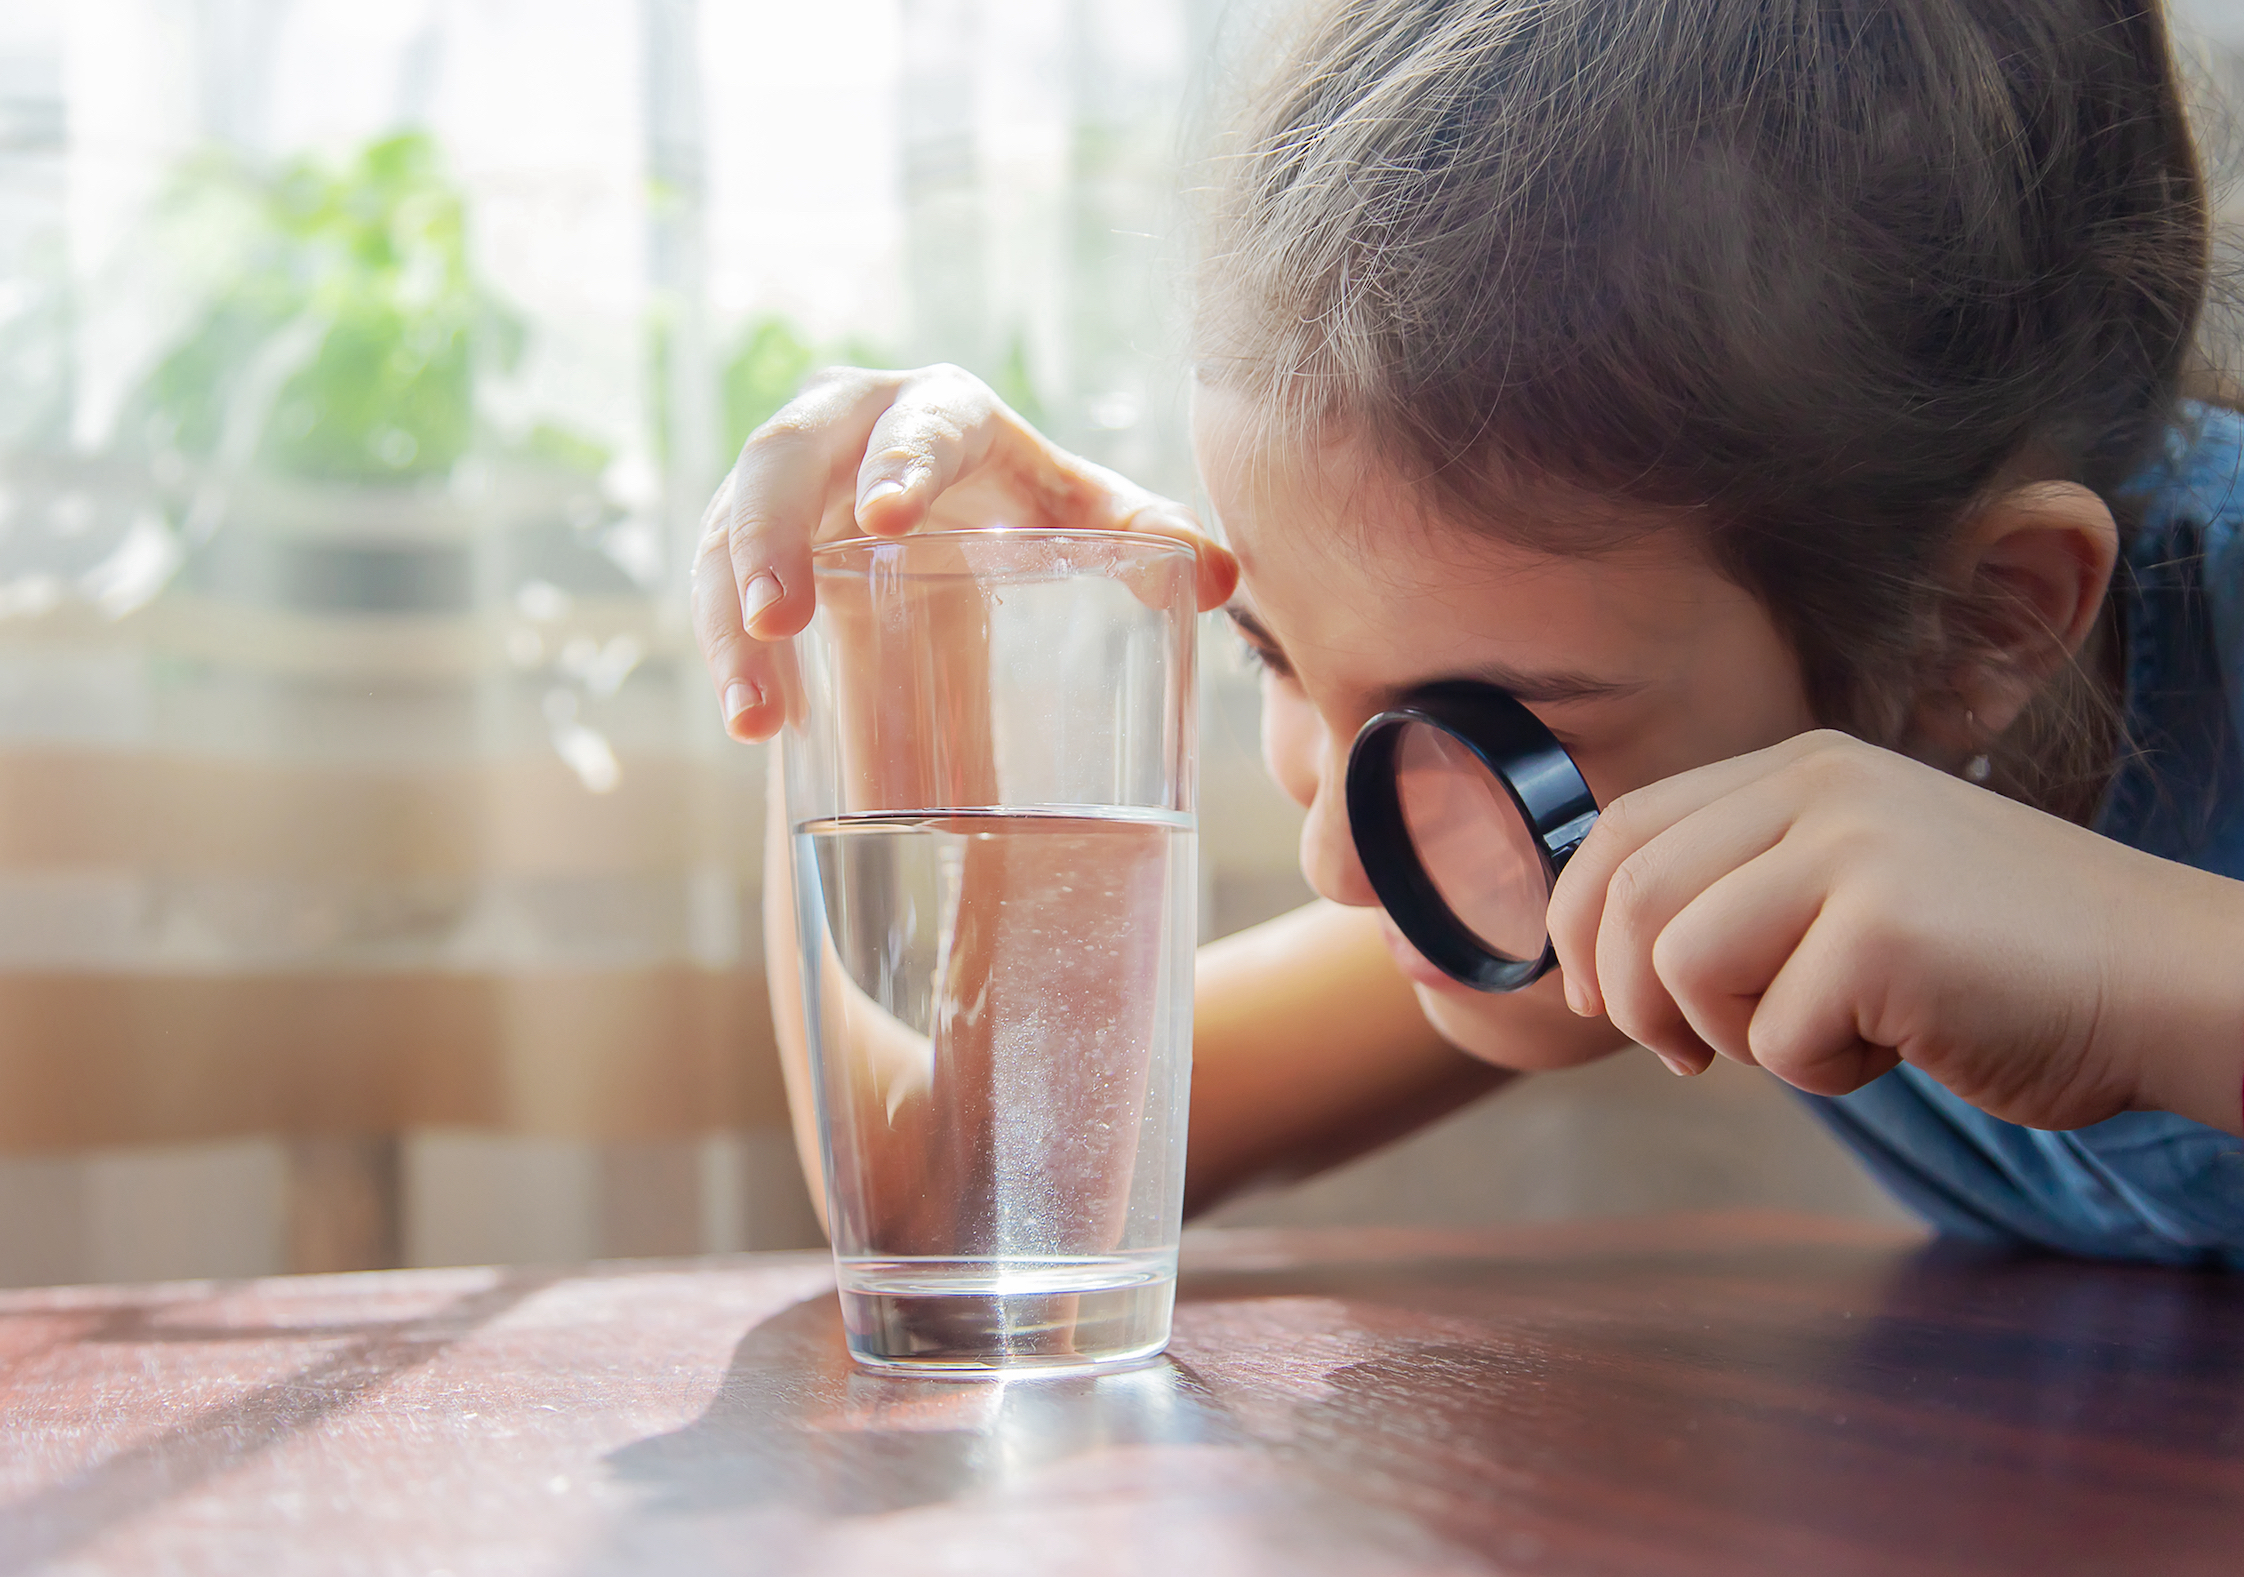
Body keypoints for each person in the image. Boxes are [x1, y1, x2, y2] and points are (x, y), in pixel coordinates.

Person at [694, 0, 2244, 1267]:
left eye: (1489, 721)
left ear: (1985, 623)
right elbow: (962, 1179)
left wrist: (2137, 973)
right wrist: (875, 619)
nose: (1339, 865)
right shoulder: (1569, 815)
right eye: (1275, 657)